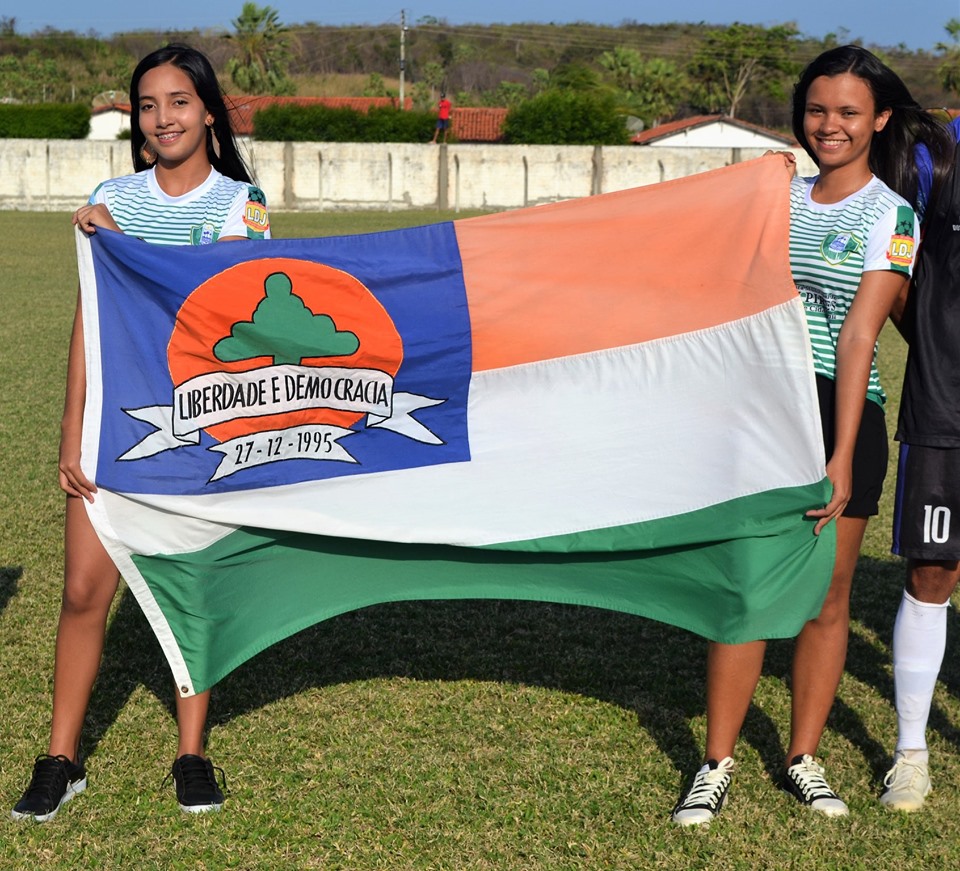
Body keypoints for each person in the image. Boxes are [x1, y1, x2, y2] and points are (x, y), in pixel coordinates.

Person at [670, 45, 949, 826]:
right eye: (817, 110)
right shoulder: (773, 195)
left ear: (880, 120)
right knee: (749, 585)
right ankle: (715, 763)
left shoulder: (892, 215)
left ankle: (802, 757)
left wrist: (839, 455)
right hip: (759, 407)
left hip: (841, 410)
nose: (829, 125)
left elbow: (862, 335)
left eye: (849, 112)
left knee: (827, 597)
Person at [11, 43, 271, 823]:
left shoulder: (244, 204)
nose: (163, 119)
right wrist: (70, 427)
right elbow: (92, 319)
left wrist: (122, 240)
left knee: (193, 592)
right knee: (85, 589)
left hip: (202, 424)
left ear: (208, 110)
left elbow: (218, 306)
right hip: (112, 425)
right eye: (149, 105)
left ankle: (191, 753)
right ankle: (61, 756)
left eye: (180, 102)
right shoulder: (109, 193)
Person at [879, 110, 960, 812]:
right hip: (947, 403)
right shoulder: (935, 154)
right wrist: (935, 342)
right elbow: (894, 262)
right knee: (932, 569)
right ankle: (911, 752)